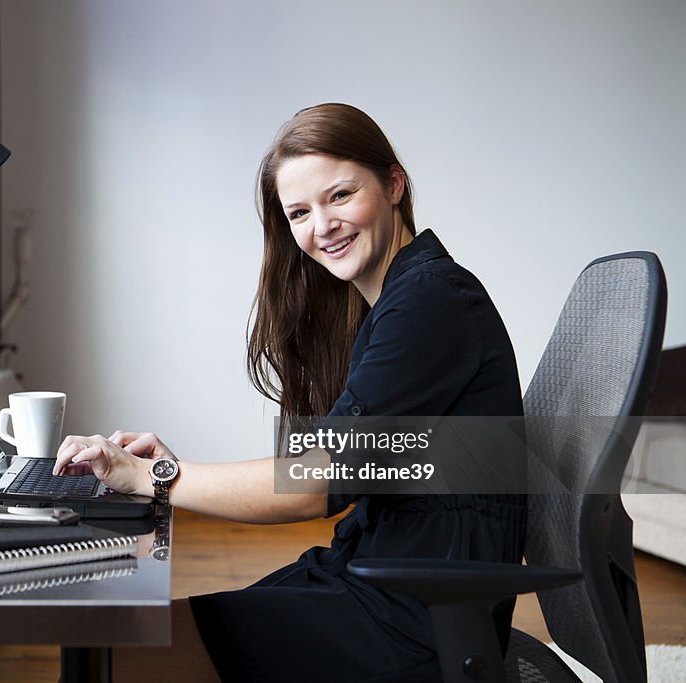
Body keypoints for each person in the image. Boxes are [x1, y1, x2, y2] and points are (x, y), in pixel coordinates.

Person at [53, 103, 526, 683]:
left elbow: (316, 485)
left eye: (341, 195)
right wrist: (168, 469)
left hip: (413, 619)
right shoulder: (401, 300)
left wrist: (157, 477)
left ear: (394, 184)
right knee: (124, 641)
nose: (322, 226)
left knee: (109, 656)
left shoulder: (430, 302)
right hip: (378, 582)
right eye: (299, 211)